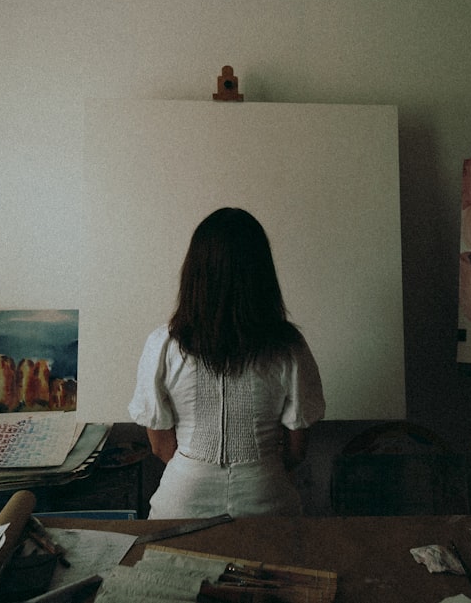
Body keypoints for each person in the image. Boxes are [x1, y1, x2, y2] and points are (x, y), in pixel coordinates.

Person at [129, 207, 325, 518]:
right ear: (262, 273)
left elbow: (160, 447)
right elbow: (295, 450)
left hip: (181, 503)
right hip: (268, 501)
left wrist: (199, 469)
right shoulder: (289, 347)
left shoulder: (163, 344)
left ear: (194, 272)